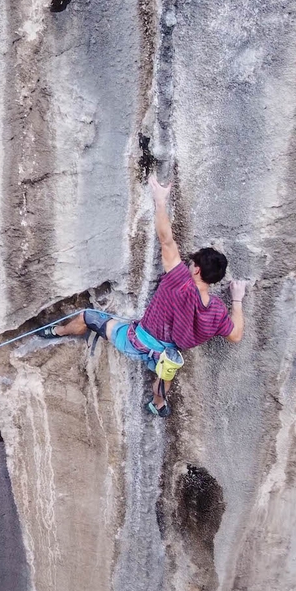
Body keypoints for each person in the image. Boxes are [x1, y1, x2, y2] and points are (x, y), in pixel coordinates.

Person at [42, 173, 247, 417]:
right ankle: (159, 405)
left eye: (193, 263)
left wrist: (160, 201)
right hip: (166, 357)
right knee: (163, 378)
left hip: (136, 341)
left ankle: (57, 331)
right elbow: (235, 335)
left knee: (88, 317)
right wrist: (236, 300)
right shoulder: (215, 311)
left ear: (197, 270)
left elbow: (166, 240)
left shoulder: (179, 280)